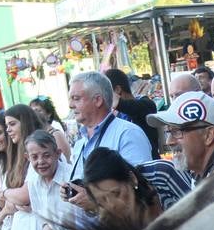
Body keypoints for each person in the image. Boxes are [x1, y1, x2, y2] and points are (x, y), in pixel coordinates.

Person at [65, 71, 154, 214]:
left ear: (98, 100)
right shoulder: (80, 143)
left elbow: (144, 190)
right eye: (70, 99)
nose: (70, 105)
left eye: (76, 98)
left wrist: (96, 202)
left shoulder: (128, 133)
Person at [22, 130, 82, 230]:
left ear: (57, 154)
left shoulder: (72, 179)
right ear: (27, 158)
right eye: (34, 157)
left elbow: (84, 223)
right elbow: (44, 216)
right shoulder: (33, 181)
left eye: (46, 155)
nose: (41, 161)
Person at [83, 147, 164, 230]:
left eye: (116, 193)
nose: (111, 205)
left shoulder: (160, 177)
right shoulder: (107, 228)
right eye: (102, 201)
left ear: (132, 179)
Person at [105, 67, 160, 158]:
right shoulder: (118, 114)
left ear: (117, 89)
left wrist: (118, 103)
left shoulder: (145, 104)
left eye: (107, 92)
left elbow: (136, 108)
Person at [27, 96, 72, 161]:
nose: (34, 114)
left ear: (48, 114)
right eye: (32, 111)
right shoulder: (33, 134)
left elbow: (66, 160)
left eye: (38, 111)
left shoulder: (56, 134)